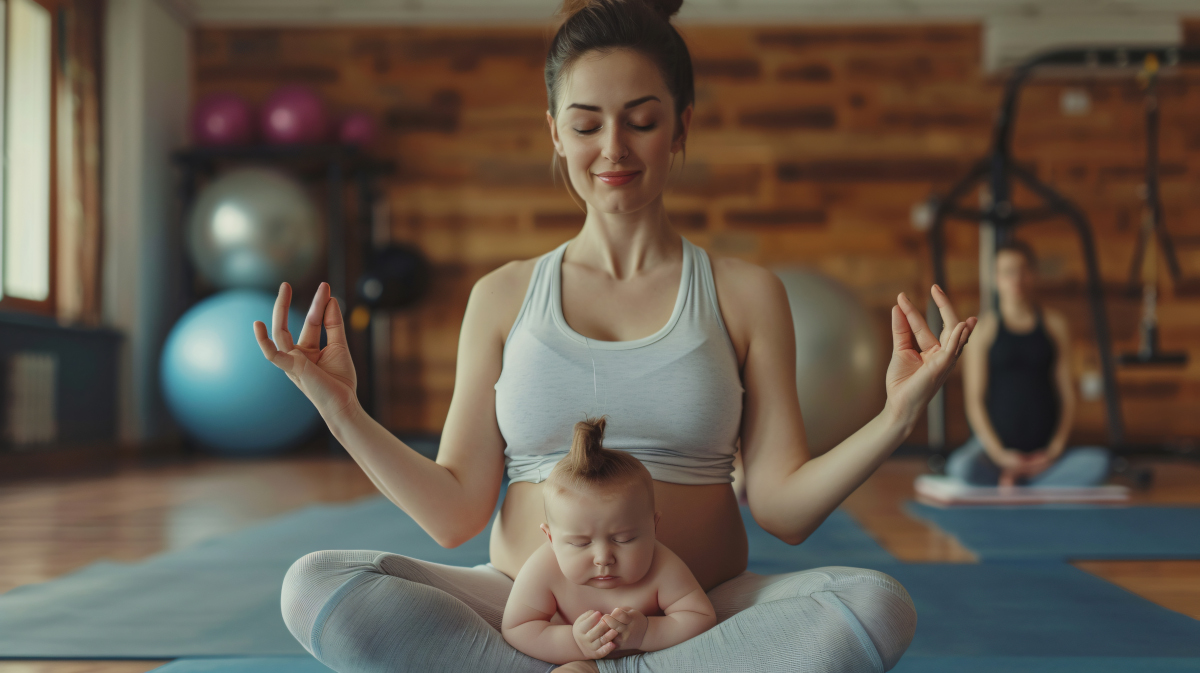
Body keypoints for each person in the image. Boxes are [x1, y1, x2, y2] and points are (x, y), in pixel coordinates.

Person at [252, 0, 976, 670]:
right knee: (316, 584)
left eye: (641, 119)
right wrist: (341, 408)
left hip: (695, 617)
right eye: (587, 122)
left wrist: (898, 416)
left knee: (875, 604)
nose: (614, 148)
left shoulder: (746, 293)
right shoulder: (502, 295)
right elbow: (454, 513)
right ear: (555, 134)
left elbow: (783, 509)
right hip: (525, 614)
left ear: (682, 126)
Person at [501, 418, 717, 664]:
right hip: (571, 659)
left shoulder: (662, 565)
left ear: (653, 528)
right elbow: (518, 627)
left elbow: (699, 616)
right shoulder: (545, 569)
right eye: (580, 544)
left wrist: (647, 632)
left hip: (655, 656)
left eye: (625, 539)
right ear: (550, 538)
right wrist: (573, 642)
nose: (603, 558)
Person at [947, 239, 1111, 488]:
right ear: (996, 279)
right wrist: (999, 455)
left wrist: (1055, 449)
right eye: (1007, 272)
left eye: (1022, 270)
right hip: (994, 454)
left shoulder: (1055, 325)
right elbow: (974, 400)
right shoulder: (984, 330)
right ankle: (1023, 482)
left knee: (1100, 463)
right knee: (962, 467)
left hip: (1044, 455)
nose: (1016, 278)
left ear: (1033, 275)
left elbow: (1067, 395)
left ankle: (1025, 481)